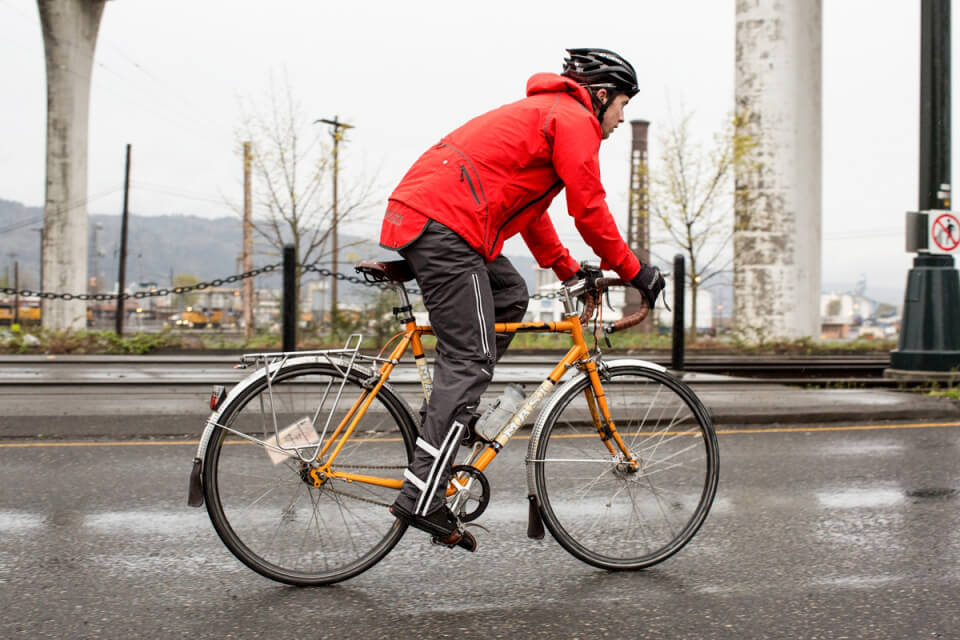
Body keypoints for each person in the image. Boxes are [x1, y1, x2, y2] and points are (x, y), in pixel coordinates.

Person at [379, 48, 666, 551]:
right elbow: (589, 208)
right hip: (448, 227)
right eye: (622, 104)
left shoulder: (548, 116)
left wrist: (568, 269)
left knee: (510, 294)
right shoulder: (573, 119)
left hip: (440, 219)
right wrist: (634, 270)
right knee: (469, 360)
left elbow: (532, 215)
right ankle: (421, 494)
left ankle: (454, 414)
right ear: (600, 96)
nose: (622, 118)